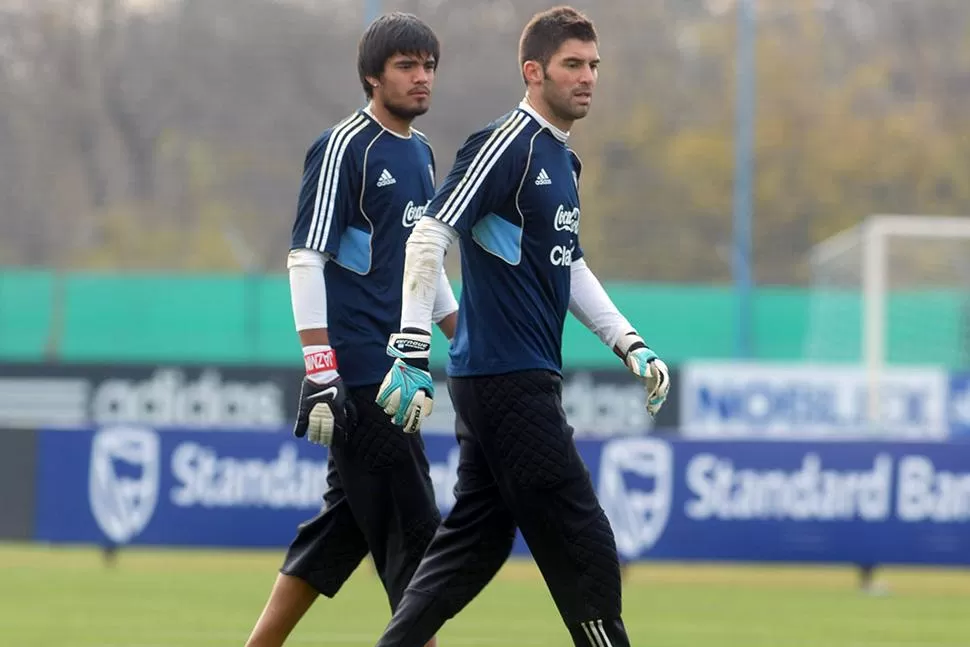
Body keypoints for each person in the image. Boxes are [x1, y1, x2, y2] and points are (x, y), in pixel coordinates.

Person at [373, 6, 670, 647]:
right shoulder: (504, 144)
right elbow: (428, 236)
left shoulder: (565, 161)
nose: (588, 76)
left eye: (593, 65)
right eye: (572, 65)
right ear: (534, 72)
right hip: (509, 381)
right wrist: (411, 347)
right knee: (585, 546)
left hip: (503, 380)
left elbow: (569, 264)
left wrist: (629, 341)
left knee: (474, 545)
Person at [244, 13, 458, 647]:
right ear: (372, 76)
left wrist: (462, 333)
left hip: (400, 367)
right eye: (406, 66)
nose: (422, 79)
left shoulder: (420, 153)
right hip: (362, 373)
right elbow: (305, 255)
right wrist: (320, 366)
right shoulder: (343, 146)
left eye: (429, 67)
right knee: (418, 539)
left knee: (341, 529)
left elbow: (423, 264)